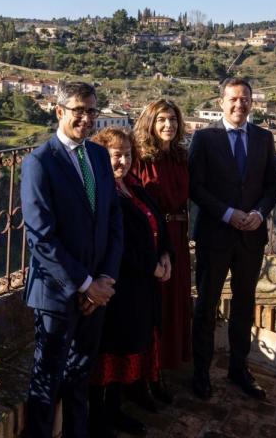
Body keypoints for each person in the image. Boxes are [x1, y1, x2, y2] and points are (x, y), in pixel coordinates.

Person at [21, 81, 124, 438]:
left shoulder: (97, 155)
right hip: (55, 295)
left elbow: (113, 220)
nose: (86, 118)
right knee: (46, 383)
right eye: (78, 110)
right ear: (59, 110)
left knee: (80, 378)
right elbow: (41, 238)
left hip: (97, 291)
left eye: (91, 111)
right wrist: (85, 284)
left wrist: (105, 279)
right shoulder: (39, 163)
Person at [188, 77, 276, 400]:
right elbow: (195, 187)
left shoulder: (264, 138)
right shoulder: (204, 138)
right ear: (221, 102)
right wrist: (227, 213)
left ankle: (239, 369)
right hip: (215, 235)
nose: (239, 105)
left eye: (245, 99)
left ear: (252, 102)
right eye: (233, 99)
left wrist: (259, 213)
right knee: (206, 305)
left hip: (251, 238)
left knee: (243, 305)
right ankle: (200, 370)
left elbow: (272, 185)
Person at [87, 127, 173, 437]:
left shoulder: (133, 186)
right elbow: (115, 245)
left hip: (141, 287)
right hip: (118, 288)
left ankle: (116, 410)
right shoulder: (99, 192)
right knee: (108, 353)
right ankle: (99, 419)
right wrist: (151, 266)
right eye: (115, 155)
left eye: (126, 154)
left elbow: (157, 223)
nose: (122, 161)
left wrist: (165, 255)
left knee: (126, 349)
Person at [131, 99, 191, 402]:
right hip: (151, 238)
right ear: (151, 123)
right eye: (162, 120)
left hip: (178, 237)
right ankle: (142, 377)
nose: (169, 125)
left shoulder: (180, 156)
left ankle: (160, 371)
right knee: (150, 308)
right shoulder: (140, 157)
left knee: (172, 305)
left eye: (173, 120)